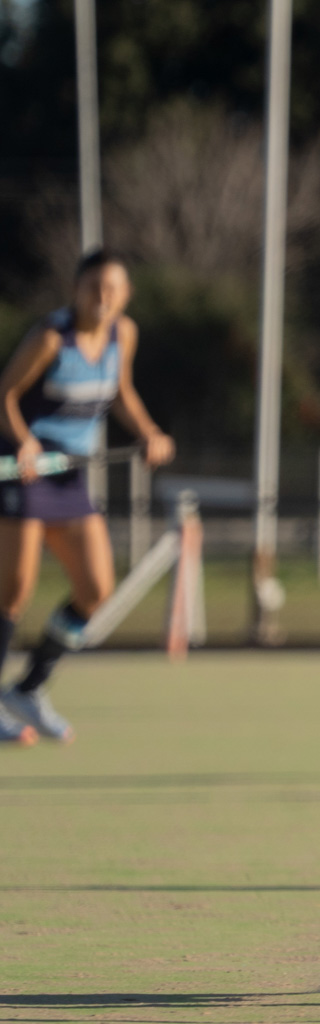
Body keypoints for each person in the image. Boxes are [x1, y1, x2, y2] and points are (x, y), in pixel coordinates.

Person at [0, 250, 174, 745]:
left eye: (113, 289)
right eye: (94, 286)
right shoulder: (50, 338)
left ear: (126, 295)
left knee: (95, 588)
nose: (103, 297)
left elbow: (121, 391)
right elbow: (4, 396)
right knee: (12, 593)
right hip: (26, 471)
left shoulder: (125, 334)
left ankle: (29, 688)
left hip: (71, 478)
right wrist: (25, 443)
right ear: (75, 289)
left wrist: (148, 432)